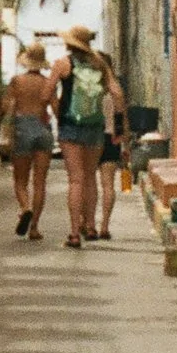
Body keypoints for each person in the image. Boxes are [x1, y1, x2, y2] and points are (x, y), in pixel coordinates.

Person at [53, 25, 114, 248]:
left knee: (75, 180)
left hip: (70, 126)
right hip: (95, 127)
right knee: (89, 178)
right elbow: (116, 93)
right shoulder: (101, 65)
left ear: (70, 43)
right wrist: (119, 125)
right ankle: (90, 225)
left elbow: (45, 93)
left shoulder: (63, 64)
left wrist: (56, 110)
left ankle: (73, 233)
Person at [0, 44, 58, 240]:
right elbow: (56, 109)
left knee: (20, 181)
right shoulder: (49, 83)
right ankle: (34, 228)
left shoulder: (17, 81)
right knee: (40, 182)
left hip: (23, 128)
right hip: (43, 129)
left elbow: (5, 105)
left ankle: (25, 208)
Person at [95, 69, 130, 241]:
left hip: (91, 138)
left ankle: (86, 224)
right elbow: (122, 122)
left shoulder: (91, 91)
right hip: (112, 139)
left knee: (87, 183)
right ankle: (104, 226)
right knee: (108, 185)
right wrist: (125, 145)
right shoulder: (116, 93)